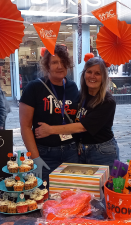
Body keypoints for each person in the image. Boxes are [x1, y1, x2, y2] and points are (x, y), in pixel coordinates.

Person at [35, 55, 119, 170]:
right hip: (81, 150)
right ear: (84, 74)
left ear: (104, 77)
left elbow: (82, 127)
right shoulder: (80, 95)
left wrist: (50, 130)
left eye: (97, 73)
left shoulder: (107, 101)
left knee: (103, 187)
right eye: (89, 72)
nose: (92, 76)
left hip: (102, 152)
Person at [19, 45, 79, 181]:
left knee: (71, 197)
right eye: (54, 62)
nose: (59, 66)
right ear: (47, 65)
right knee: (46, 197)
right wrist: (35, 157)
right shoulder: (34, 88)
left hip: (71, 152)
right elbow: (25, 126)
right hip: (45, 154)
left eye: (63, 62)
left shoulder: (72, 87)